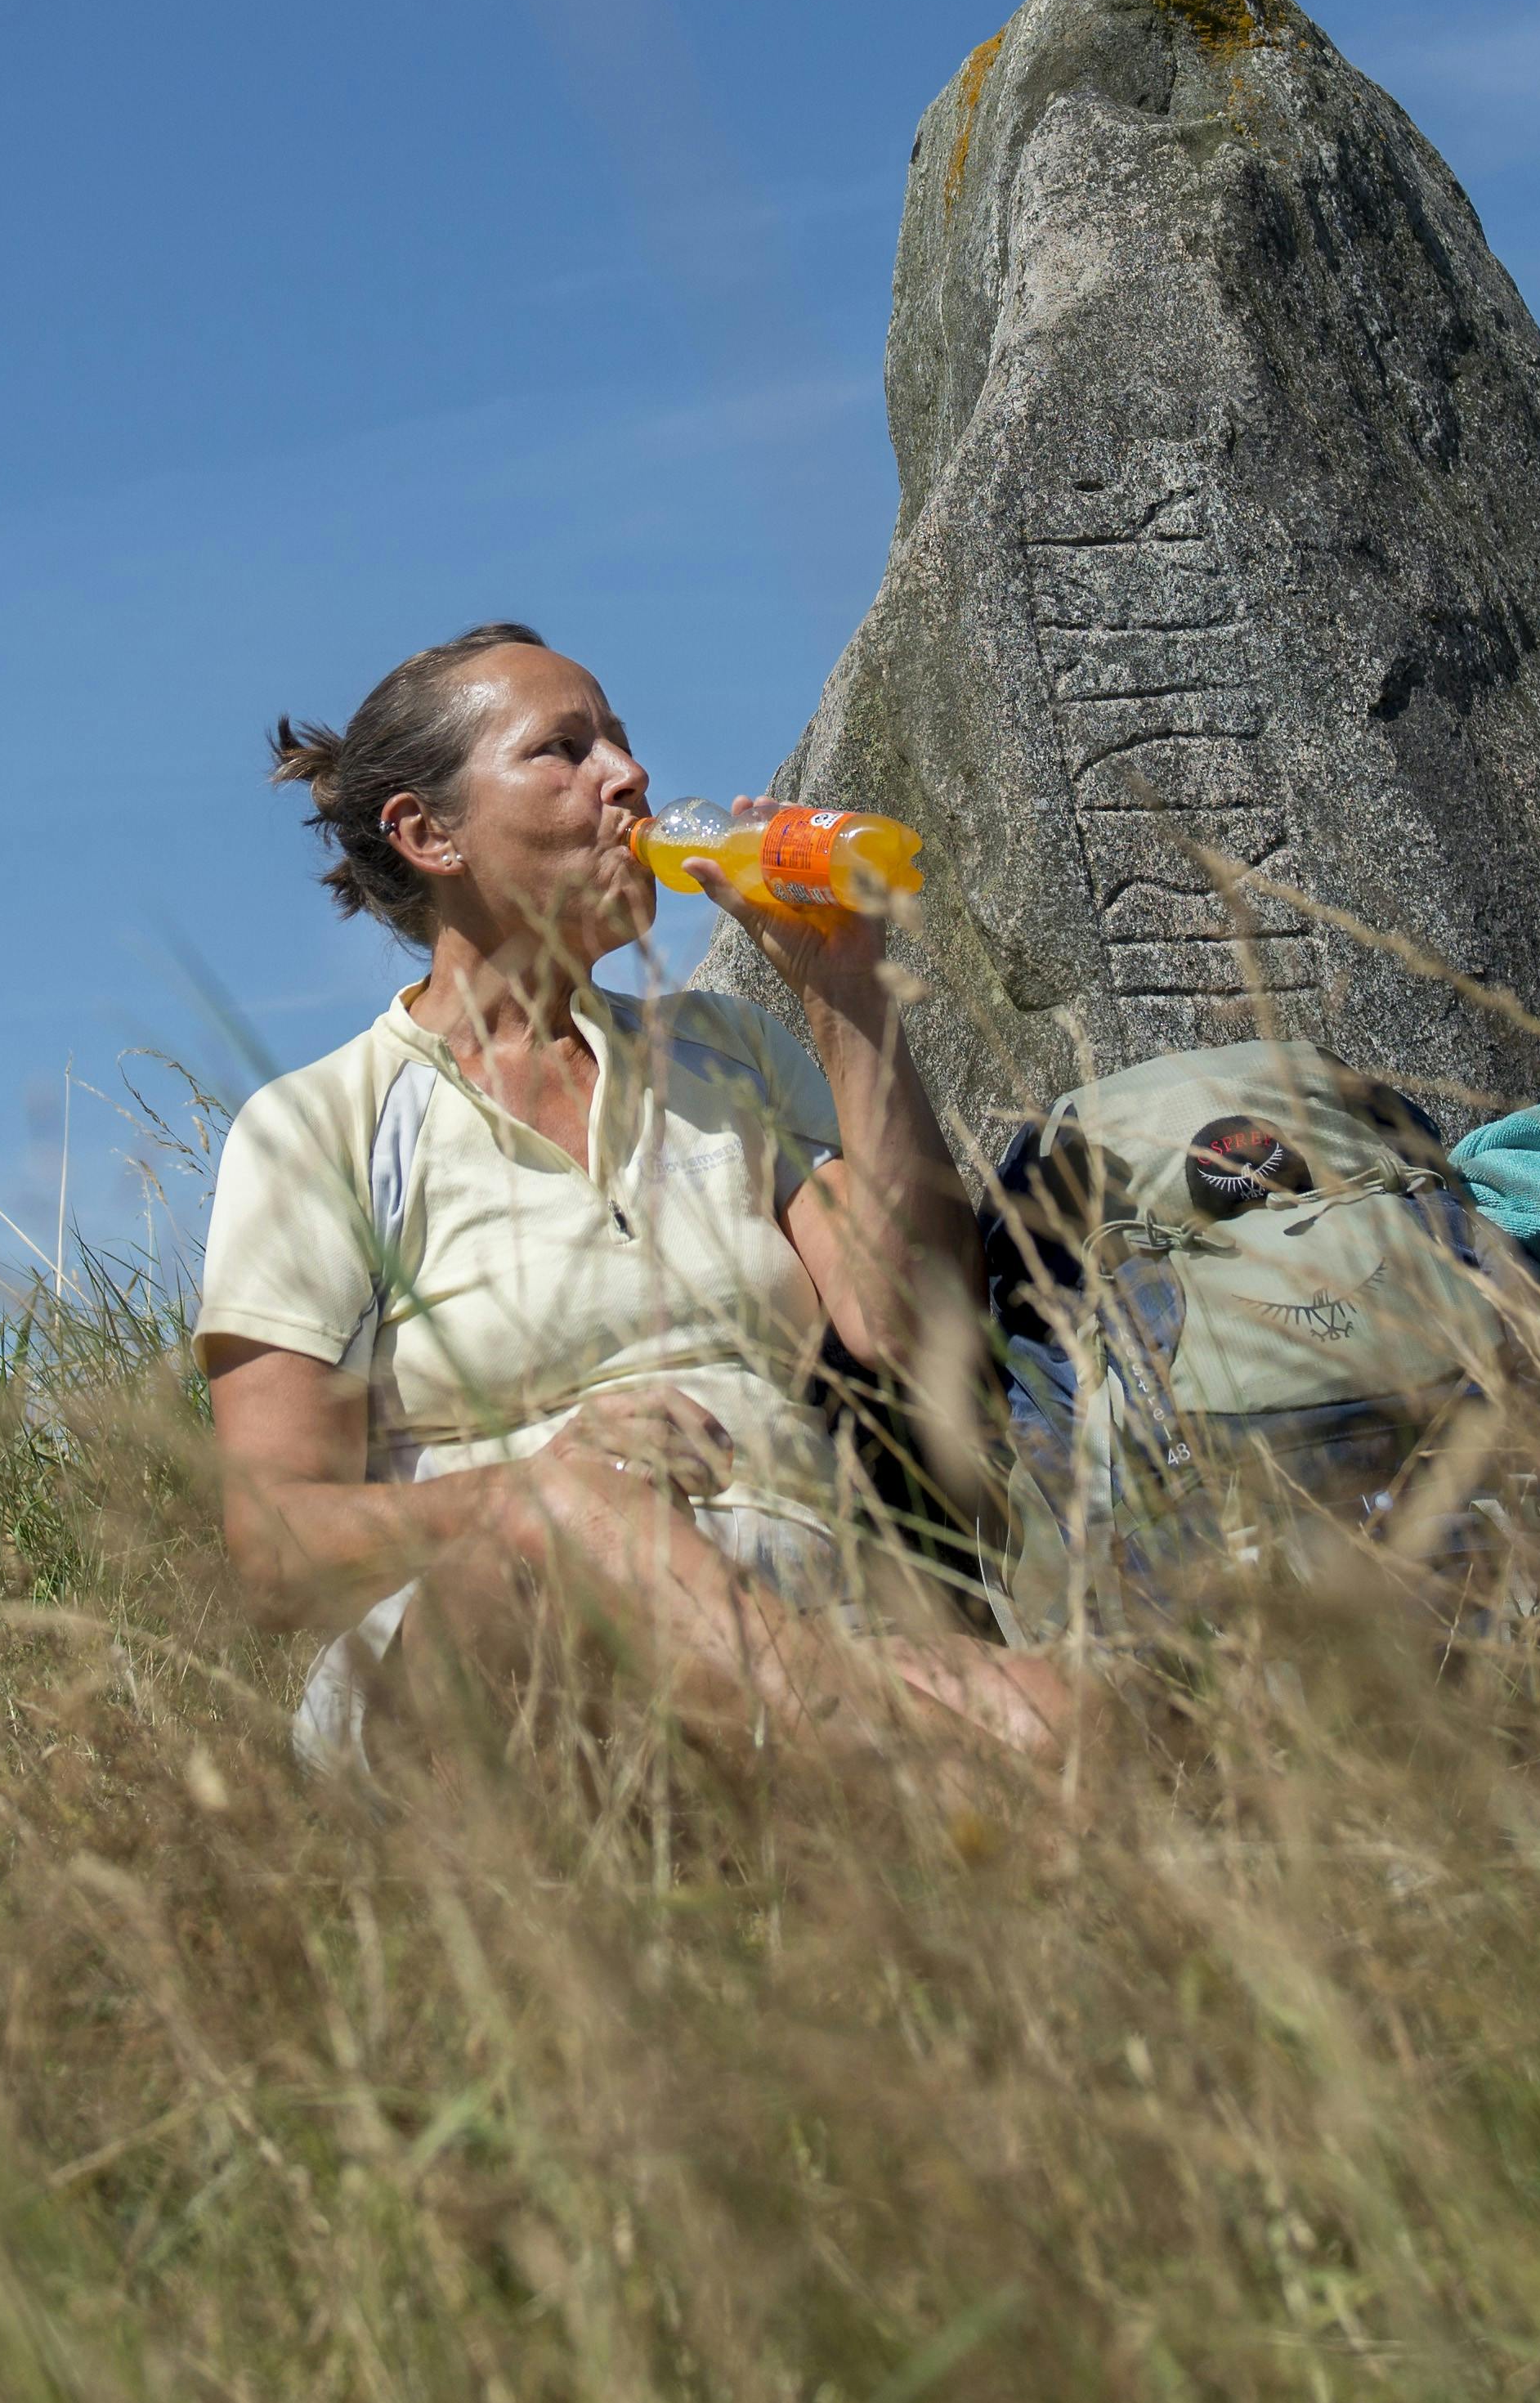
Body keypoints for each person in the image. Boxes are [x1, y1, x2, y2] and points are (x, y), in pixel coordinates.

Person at [193, 623, 1072, 1769]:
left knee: (1069, 1716)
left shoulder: (732, 1053)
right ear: (428, 833)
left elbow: (917, 1334)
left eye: (618, 737)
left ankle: (895, 1755)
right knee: (585, 1520)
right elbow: (276, 1550)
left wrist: (848, 995)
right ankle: (931, 1752)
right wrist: (532, 1493)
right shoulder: (323, 1126)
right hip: (482, 1658)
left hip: (814, 1616)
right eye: (563, 750)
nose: (628, 775)